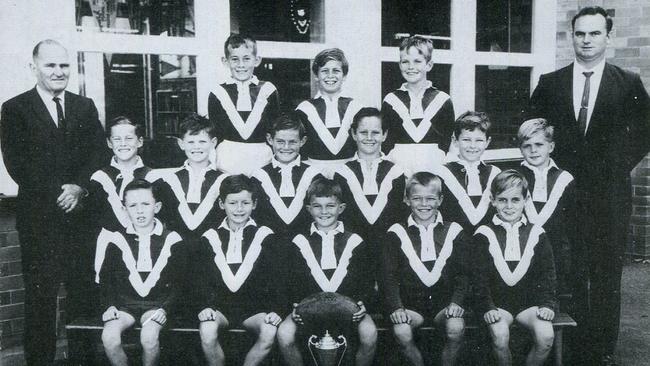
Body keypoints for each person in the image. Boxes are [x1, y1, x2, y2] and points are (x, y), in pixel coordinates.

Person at [526, 6, 650, 364]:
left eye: (594, 33)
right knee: (571, 273)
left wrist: (613, 166)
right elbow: (534, 131)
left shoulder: (628, 83)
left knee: (607, 277)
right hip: (562, 198)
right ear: (571, 37)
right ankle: (574, 350)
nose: (586, 40)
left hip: (610, 198)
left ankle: (602, 353)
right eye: (580, 33)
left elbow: (644, 131)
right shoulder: (551, 83)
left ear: (607, 37)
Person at [0, 39, 106, 365]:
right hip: (39, 222)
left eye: (64, 65)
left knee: (84, 298)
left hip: (82, 221)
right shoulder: (14, 109)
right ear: (34, 68)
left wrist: (80, 189)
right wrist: (61, 193)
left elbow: (99, 154)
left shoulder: (84, 106)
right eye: (50, 65)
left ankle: (83, 361)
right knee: (41, 300)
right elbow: (17, 164)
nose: (58, 72)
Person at [277, 177, 377, 366]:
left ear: (341, 208)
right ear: (309, 209)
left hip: (349, 309)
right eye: (317, 206)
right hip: (308, 308)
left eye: (330, 206)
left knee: (369, 333)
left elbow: (366, 279)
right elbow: (289, 280)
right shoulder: (298, 242)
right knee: (284, 334)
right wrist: (295, 305)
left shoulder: (355, 241)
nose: (324, 212)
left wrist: (364, 304)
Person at [381, 172, 469, 366]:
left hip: (444, 305)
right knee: (402, 331)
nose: (423, 204)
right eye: (417, 198)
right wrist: (397, 307)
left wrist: (456, 302)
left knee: (455, 327)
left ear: (440, 200)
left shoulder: (454, 231)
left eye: (430, 198)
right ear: (406, 200)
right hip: (410, 306)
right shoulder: (396, 232)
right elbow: (388, 275)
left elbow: (464, 275)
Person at [95, 179, 185, 366]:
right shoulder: (116, 239)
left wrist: (165, 308)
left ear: (157, 207)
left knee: (149, 337)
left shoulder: (172, 239)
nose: (140, 210)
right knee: (109, 337)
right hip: (125, 305)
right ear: (125, 209)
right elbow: (106, 278)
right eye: (133, 205)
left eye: (145, 204)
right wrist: (110, 305)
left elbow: (180, 282)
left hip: (156, 305)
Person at [196, 175, 282, 366]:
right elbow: (200, 279)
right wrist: (204, 306)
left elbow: (277, 278)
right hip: (221, 309)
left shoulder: (266, 236)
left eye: (245, 202)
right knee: (208, 330)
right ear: (221, 203)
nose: (239, 208)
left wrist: (276, 310)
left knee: (269, 332)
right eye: (232, 203)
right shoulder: (210, 237)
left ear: (254, 204)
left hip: (254, 310)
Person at [473, 170, 557, 366]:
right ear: (492, 200)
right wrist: (487, 306)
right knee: (500, 334)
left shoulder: (537, 233)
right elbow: (478, 277)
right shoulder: (483, 234)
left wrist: (547, 304)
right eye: (502, 200)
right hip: (497, 305)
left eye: (515, 200)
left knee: (546, 337)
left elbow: (548, 273)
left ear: (525, 200)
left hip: (529, 303)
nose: (509, 206)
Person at [515, 118, 577, 298]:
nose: (533, 150)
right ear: (520, 149)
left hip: (556, 259)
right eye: (527, 145)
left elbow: (572, 227)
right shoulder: (513, 178)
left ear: (551, 146)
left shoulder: (565, 180)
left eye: (539, 144)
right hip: (520, 257)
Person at [333, 107, 407, 251]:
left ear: (384, 135)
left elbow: (397, 214)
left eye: (375, 133)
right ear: (354, 134)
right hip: (353, 247)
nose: (369, 138)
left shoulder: (396, 172)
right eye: (363, 132)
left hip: (388, 247)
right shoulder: (342, 172)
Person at [381, 35, 455, 174]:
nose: (411, 67)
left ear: (429, 65)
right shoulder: (390, 100)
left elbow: (448, 141)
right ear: (399, 64)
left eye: (417, 61)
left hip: (433, 167)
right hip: (399, 167)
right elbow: (386, 141)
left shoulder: (443, 100)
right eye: (405, 62)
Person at [208, 33, 281, 174]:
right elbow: (215, 131)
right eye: (235, 59)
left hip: (261, 159)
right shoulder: (217, 92)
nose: (241, 65)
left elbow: (274, 127)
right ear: (225, 61)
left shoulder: (268, 90)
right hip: (227, 160)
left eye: (247, 58)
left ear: (257, 60)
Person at [154, 113, 228, 240]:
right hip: (177, 249)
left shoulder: (224, 180)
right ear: (181, 144)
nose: (196, 147)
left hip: (213, 248)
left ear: (213, 143)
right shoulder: (168, 182)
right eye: (191, 142)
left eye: (202, 141)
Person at [250, 114, 321, 239]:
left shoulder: (314, 175)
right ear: (270, 139)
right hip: (270, 245)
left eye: (292, 142)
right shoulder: (258, 177)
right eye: (280, 142)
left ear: (302, 141)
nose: (286, 147)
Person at [295, 48, 363, 164]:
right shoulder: (304, 109)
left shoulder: (356, 108)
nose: (330, 75)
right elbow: (299, 148)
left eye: (336, 70)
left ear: (344, 76)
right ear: (316, 76)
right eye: (325, 71)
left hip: (349, 173)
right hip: (315, 174)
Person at [435, 111, 500, 232]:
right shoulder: (442, 173)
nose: (472, 146)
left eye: (479, 140)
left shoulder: (494, 173)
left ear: (488, 142)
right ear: (455, 140)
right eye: (466, 139)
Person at [88, 116, 153, 231]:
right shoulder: (99, 179)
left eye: (128, 138)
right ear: (109, 143)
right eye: (117, 139)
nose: (123, 144)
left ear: (140, 142)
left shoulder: (153, 177)